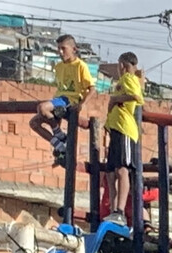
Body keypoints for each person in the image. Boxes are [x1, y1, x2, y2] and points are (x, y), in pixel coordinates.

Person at [31, 33, 95, 165]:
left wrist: (82, 104)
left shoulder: (80, 66)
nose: (60, 52)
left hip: (69, 99)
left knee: (42, 107)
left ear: (74, 49)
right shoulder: (58, 67)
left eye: (63, 48)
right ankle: (59, 145)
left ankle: (59, 134)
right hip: (58, 99)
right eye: (58, 49)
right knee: (34, 123)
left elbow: (92, 89)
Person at [101, 52, 145, 221]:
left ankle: (119, 211)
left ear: (123, 65)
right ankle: (113, 211)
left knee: (121, 170)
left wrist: (115, 99)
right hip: (116, 129)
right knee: (110, 173)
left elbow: (137, 97)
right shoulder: (121, 82)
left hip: (125, 130)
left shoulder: (129, 79)